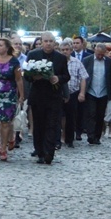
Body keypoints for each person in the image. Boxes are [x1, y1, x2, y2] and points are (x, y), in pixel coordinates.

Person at [25, 32, 69, 164]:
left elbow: (66, 76)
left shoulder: (60, 58)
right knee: (39, 125)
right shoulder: (33, 55)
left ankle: (49, 152)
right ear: (41, 42)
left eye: (51, 41)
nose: (48, 43)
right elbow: (26, 74)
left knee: (52, 124)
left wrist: (58, 79)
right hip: (38, 96)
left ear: (54, 43)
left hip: (54, 96)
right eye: (46, 41)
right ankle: (39, 151)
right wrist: (33, 77)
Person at [0, 38, 23, 161]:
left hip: (9, 93)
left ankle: (3, 147)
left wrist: (21, 95)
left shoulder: (14, 62)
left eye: (1, 45)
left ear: (7, 48)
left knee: (6, 122)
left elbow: (18, 79)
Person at [82, 43, 111, 145]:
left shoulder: (109, 62)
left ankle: (97, 136)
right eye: (98, 54)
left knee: (100, 115)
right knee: (91, 114)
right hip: (91, 91)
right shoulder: (87, 60)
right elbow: (83, 76)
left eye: (102, 54)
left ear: (105, 53)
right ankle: (90, 135)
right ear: (95, 51)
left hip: (103, 92)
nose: (100, 56)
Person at [59, 38, 87, 149]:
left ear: (71, 50)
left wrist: (82, 93)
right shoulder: (56, 62)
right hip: (59, 93)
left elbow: (83, 78)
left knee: (71, 117)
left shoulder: (77, 62)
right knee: (59, 117)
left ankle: (70, 139)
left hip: (73, 92)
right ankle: (59, 138)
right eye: (62, 50)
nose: (65, 52)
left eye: (67, 49)